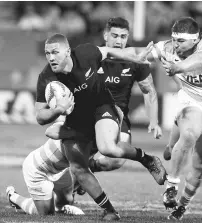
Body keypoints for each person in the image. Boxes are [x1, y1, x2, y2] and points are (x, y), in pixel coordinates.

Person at [20, 33, 165, 219]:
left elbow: (109, 51)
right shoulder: (46, 78)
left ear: (67, 51)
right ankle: (110, 211)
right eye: (47, 53)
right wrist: (58, 110)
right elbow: (40, 116)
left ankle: (148, 160)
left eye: (55, 52)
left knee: (108, 148)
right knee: (77, 168)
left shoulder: (85, 53)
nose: (51, 57)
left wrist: (135, 58)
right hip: (75, 120)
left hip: (101, 105)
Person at [145, 17, 202, 220]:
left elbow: (200, 60)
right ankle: (171, 185)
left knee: (200, 166)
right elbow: (138, 54)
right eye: (174, 39)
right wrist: (106, 54)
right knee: (190, 133)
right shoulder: (167, 48)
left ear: (195, 39)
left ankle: (182, 205)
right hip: (193, 98)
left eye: (181, 41)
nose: (176, 45)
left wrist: (179, 67)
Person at [73, 17, 162, 194]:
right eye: (114, 35)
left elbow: (149, 90)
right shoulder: (93, 56)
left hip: (117, 116)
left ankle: (85, 171)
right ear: (105, 35)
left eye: (123, 36)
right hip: (88, 116)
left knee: (114, 160)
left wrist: (154, 120)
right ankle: (76, 178)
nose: (119, 41)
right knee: (65, 184)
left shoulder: (136, 60)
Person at [6, 138, 85, 216]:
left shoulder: (89, 136)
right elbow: (49, 131)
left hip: (59, 169)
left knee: (66, 202)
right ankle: (14, 197)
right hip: (39, 169)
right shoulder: (75, 129)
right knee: (47, 214)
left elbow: (82, 163)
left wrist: (81, 182)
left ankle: (50, 204)